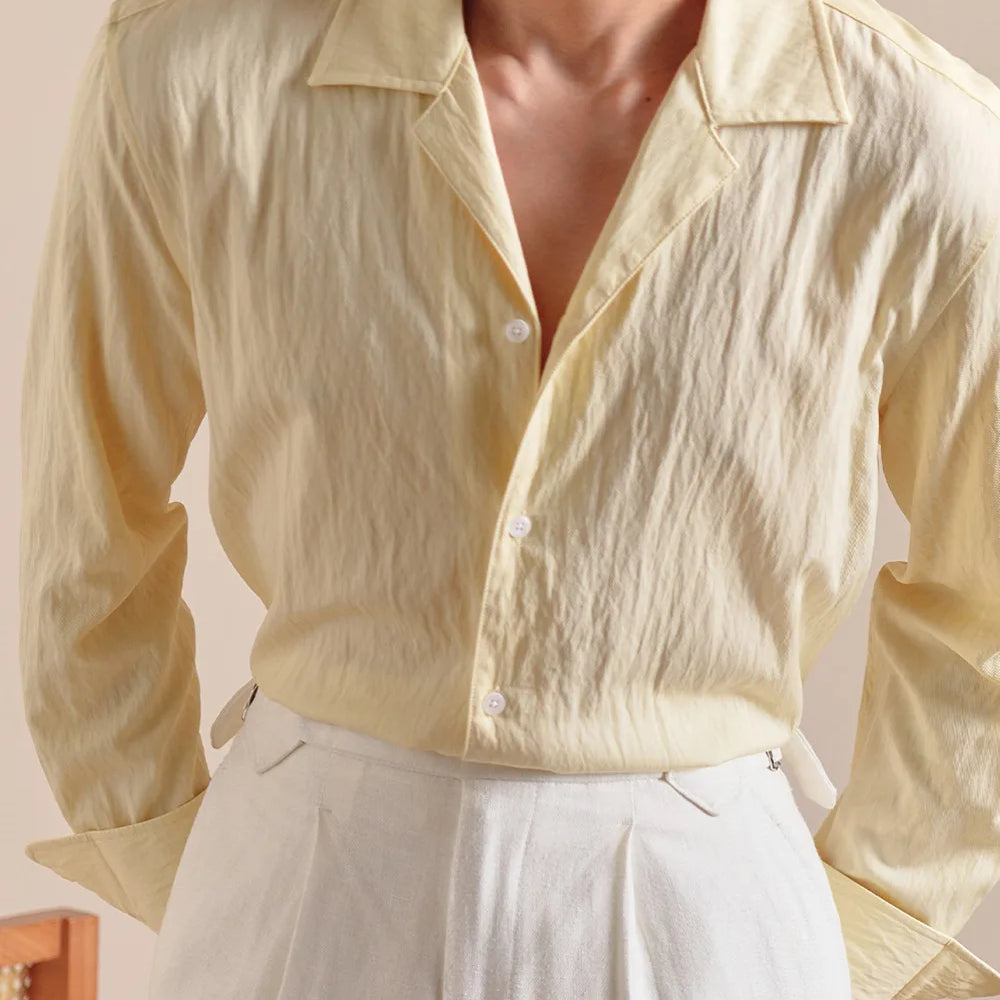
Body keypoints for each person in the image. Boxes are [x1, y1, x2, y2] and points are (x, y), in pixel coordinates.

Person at [18, 0, 1000, 995]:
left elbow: (985, 602)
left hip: (706, 910)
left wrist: (853, 925)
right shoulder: (187, 74)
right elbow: (86, 512)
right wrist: (181, 856)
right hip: (295, 880)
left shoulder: (921, 137)